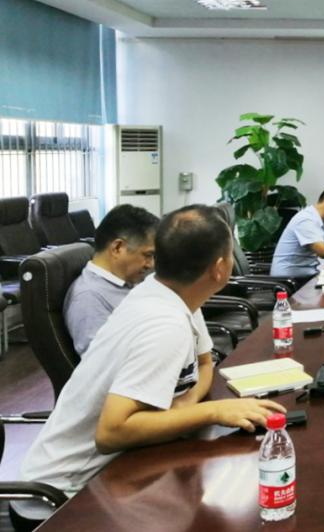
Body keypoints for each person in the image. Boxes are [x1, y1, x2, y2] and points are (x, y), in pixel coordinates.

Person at [11, 206, 286, 531]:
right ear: (219, 268)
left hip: (122, 471)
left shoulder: (173, 295)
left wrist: (183, 406)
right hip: (63, 501)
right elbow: (111, 432)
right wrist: (212, 411)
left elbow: (204, 363)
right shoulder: (163, 324)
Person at [63, 204, 159, 355]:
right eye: (147, 255)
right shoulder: (89, 298)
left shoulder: (128, 281)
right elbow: (101, 362)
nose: (150, 264)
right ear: (117, 248)